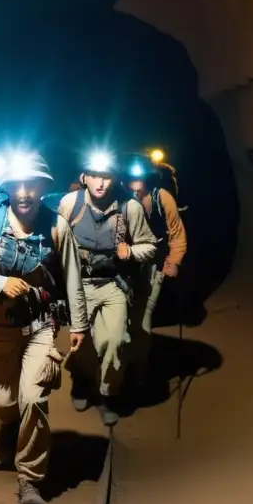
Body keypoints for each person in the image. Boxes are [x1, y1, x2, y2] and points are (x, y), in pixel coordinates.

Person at [0, 152, 88, 504]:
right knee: (4, 403)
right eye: (19, 185)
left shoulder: (57, 226)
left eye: (33, 185)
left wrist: (79, 325)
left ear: (43, 188)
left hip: (40, 328)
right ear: (11, 188)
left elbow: (73, 277)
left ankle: (29, 479)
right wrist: (0, 283)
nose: (25, 193)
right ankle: (12, 425)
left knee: (34, 398)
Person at [58, 152, 157, 427]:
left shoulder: (129, 207)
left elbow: (150, 247)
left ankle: (106, 395)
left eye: (106, 176)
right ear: (84, 177)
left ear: (114, 178)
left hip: (114, 284)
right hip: (79, 285)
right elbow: (54, 241)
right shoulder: (70, 204)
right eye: (95, 176)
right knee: (82, 343)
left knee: (114, 341)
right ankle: (80, 380)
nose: (100, 183)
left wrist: (131, 252)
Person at [125, 153, 188, 390]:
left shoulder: (162, 199)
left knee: (143, 318)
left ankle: (139, 368)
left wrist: (173, 262)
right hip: (123, 265)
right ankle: (116, 366)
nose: (134, 185)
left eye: (139, 179)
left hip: (152, 266)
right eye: (130, 179)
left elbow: (177, 233)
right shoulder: (118, 197)